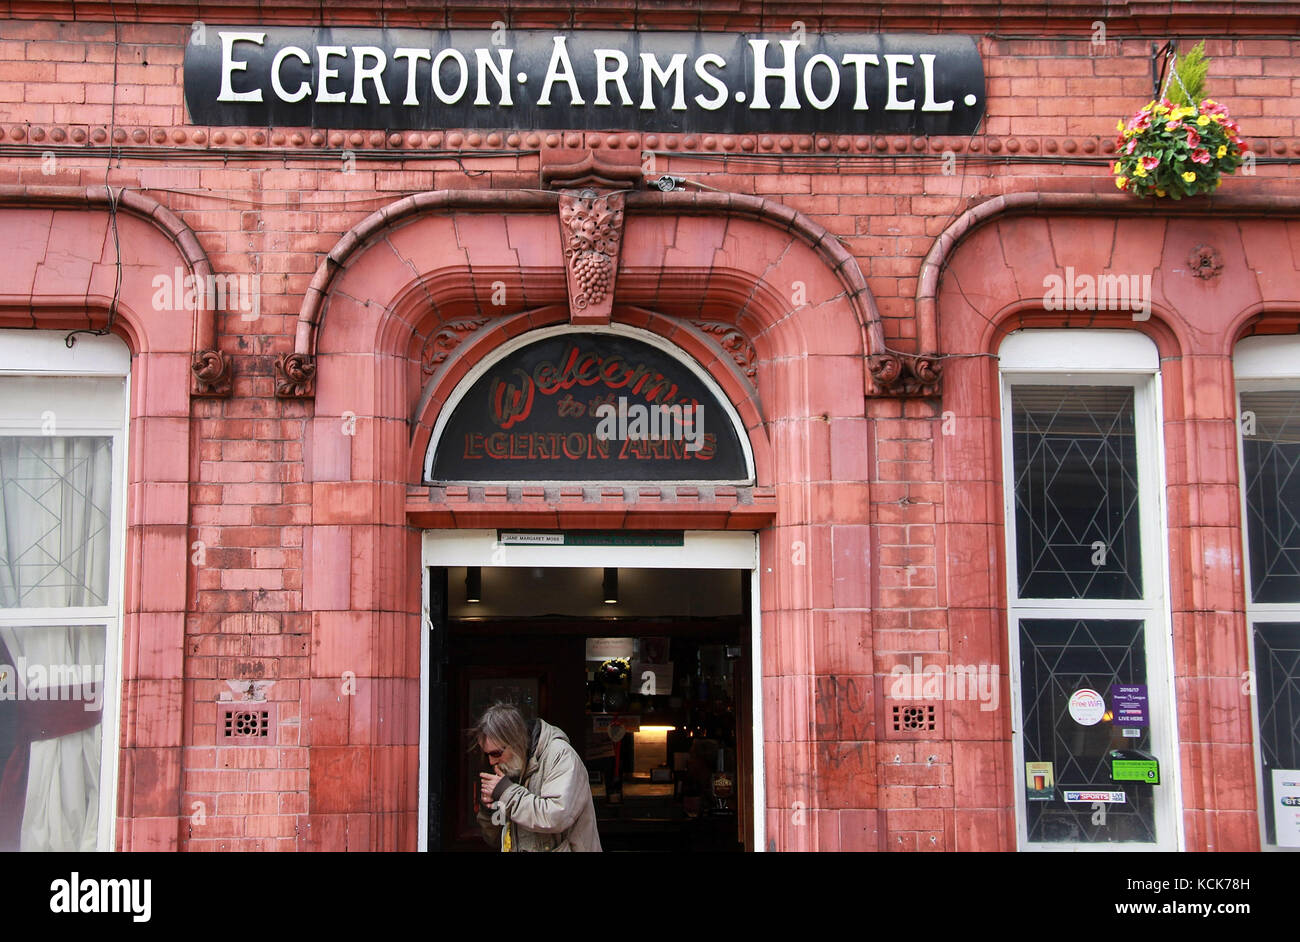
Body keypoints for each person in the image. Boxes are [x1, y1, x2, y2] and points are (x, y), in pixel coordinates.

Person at [472, 701, 602, 852]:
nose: (491, 761)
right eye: (487, 754)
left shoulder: (560, 756)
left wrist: (507, 793)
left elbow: (556, 817)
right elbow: (494, 839)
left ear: (516, 742)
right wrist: (490, 809)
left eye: (496, 753)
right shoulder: (511, 767)